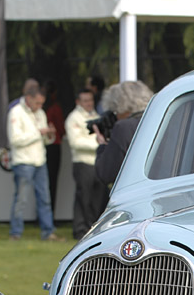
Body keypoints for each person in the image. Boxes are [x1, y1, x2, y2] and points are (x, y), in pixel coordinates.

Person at [7, 78, 59, 241]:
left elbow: (43, 140)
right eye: (37, 103)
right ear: (28, 99)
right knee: (21, 199)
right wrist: (39, 133)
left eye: (41, 103)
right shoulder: (16, 112)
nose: (39, 106)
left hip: (39, 160)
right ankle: (15, 232)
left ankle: (47, 231)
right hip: (23, 161)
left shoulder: (40, 113)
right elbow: (15, 140)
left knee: (45, 198)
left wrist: (49, 135)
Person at [93, 80, 154, 188]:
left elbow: (105, 174)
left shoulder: (124, 127)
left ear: (121, 106)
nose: (115, 116)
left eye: (115, 111)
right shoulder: (160, 120)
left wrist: (102, 145)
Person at [65, 88, 108, 239]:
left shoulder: (96, 115)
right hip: (82, 163)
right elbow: (75, 142)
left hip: (96, 163)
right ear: (78, 102)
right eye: (85, 101)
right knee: (84, 198)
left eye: (90, 100)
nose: (89, 103)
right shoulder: (74, 118)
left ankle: (92, 229)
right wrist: (99, 144)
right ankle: (79, 230)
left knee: (97, 198)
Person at [43, 80, 66, 221]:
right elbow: (60, 127)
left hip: (44, 146)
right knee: (52, 181)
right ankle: (50, 215)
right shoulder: (55, 108)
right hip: (54, 145)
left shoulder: (42, 109)